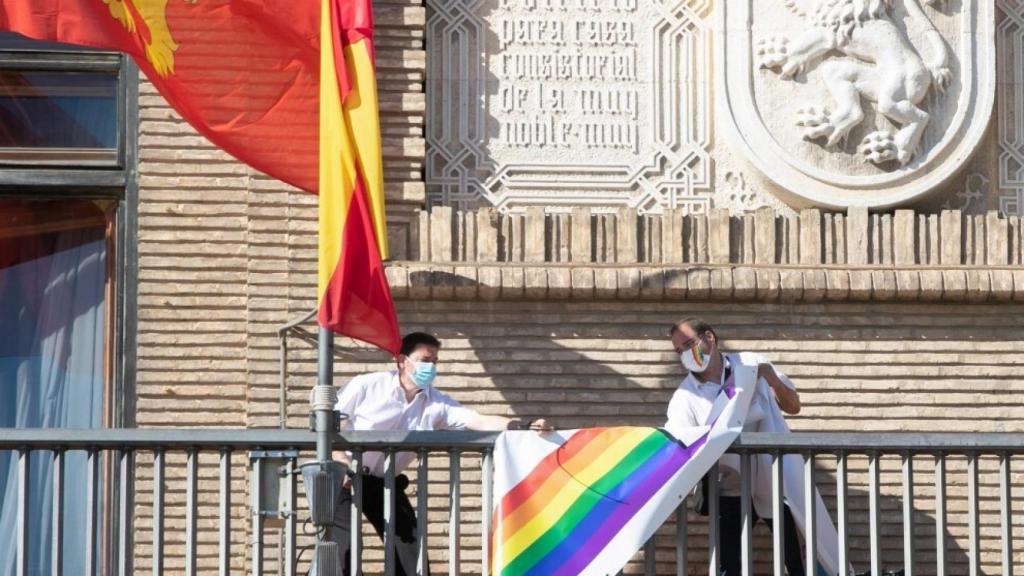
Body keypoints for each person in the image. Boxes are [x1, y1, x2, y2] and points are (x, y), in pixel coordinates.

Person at [326, 332, 551, 576]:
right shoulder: (367, 385)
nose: (430, 367)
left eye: (434, 362)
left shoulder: (436, 402)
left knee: (410, 550)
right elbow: (328, 424)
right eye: (425, 359)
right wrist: (341, 460)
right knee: (344, 549)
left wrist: (522, 426)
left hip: (384, 482)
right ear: (402, 360)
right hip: (345, 477)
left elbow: (476, 420)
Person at [665, 318, 842, 576]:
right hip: (729, 490)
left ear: (710, 338)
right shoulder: (684, 397)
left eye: (689, 344)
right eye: (679, 351)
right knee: (726, 568)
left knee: (800, 561)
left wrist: (771, 377)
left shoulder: (749, 362)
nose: (685, 355)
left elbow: (793, 406)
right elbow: (678, 442)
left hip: (776, 485)